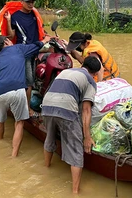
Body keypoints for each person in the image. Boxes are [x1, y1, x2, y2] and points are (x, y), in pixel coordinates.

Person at [41, 56, 101, 194]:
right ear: (95, 73)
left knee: (49, 138)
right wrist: (87, 137)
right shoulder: (90, 81)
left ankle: (46, 169)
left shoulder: (66, 71)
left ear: (82, 65)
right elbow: (86, 110)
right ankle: (75, 192)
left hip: (46, 106)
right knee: (76, 150)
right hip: (66, 109)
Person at [0, 35, 50, 157]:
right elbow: (36, 46)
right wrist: (46, 40)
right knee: (19, 123)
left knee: (0, 119)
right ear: (7, 41)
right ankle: (14, 156)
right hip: (17, 89)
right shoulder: (18, 48)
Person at [4, 0, 45, 116]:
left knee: (33, 77)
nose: (31, 4)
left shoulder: (34, 15)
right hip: (24, 51)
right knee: (29, 81)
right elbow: (11, 35)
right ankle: (27, 109)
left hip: (35, 49)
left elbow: (40, 30)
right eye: (28, 2)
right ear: (21, 2)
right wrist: (8, 20)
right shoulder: (15, 16)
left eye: (32, 1)